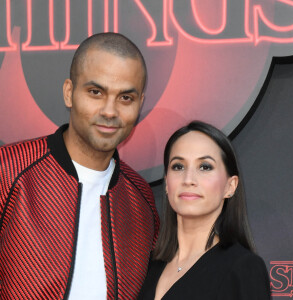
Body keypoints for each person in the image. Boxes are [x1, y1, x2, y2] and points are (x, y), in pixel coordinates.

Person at [0, 32, 159, 299]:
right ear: (69, 93)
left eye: (125, 98)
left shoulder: (141, 200)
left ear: (140, 105)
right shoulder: (9, 170)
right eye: (96, 92)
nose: (110, 111)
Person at [138, 121, 271, 300]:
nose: (188, 179)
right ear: (167, 183)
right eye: (178, 166)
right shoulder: (148, 266)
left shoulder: (243, 268)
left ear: (230, 186)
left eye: (205, 167)